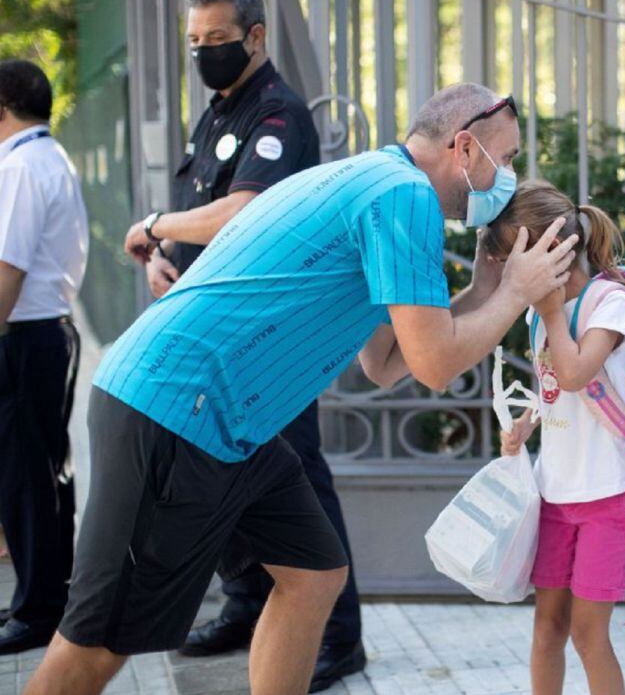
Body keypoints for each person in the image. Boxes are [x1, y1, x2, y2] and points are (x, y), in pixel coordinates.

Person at [25, 83, 577, 695]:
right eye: (510, 157)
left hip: (233, 424)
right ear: (465, 148)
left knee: (314, 571)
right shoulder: (404, 196)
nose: (513, 174)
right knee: (99, 644)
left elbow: (385, 361)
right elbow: (436, 365)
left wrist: (482, 292)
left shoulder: (376, 179)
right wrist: (515, 294)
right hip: (179, 409)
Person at [118, 0, 362, 688]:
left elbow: (244, 211)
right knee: (225, 467)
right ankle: (248, 601)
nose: (204, 54)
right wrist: (170, 266)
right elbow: (207, 211)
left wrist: (156, 226)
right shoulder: (221, 111)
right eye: (195, 43)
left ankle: (339, 637)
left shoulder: (279, 113)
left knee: (300, 475)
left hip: (269, 337)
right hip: (214, 327)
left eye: (217, 41)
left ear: (256, 36)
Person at [484, 181, 625, 695]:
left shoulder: (608, 302)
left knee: (588, 634)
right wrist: (525, 426)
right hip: (555, 495)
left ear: (547, 253)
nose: (508, 275)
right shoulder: (536, 314)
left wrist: (552, 312)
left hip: (604, 496)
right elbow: (554, 388)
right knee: (546, 629)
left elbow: (575, 374)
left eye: (511, 260)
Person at [0, 60, 88, 654]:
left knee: (24, 478)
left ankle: (36, 610)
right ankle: (51, 598)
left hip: (22, 337)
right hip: (42, 334)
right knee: (45, 472)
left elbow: (7, 265)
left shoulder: (21, 166)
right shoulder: (47, 156)